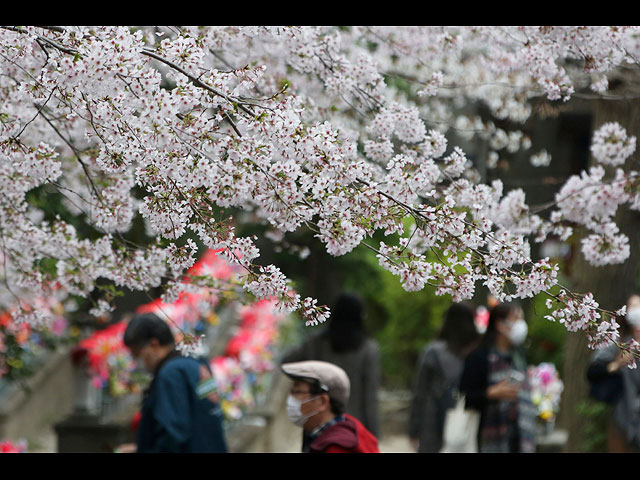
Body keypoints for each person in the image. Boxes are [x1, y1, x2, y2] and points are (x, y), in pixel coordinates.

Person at [116, 312, 228, 453]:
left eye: (136, 353)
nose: (135, 361)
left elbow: (173, 435)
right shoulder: (196, 364)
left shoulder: (171, 373)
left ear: (153, 345)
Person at [281, 292, 380, 436]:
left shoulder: (316, 342)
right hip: (352, 424)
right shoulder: (368, 349)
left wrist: (305, 383)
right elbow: (370, 396)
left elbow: (286, 362)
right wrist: (374, 434)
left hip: (316, 418)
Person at [459, 301, 537, 453]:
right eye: (516, 318)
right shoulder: (480, 357)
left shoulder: (519, 356)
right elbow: (466, 395)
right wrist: (490, 393)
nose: (521, 324)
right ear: (500, 324)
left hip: (520, 437)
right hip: (487, 435)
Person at [408, 302, 481, 453]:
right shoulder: (479, 353)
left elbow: (420, 393)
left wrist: (413, 430)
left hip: (433, 423)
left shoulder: (433, 352)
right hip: (470, 421)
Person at [281, 360, 380, 453]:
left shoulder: (338, 447)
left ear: (322, 402)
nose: (291, 399)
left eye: (297, 392)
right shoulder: (348, 425)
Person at [587, 294, 640, 453]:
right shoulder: (618, 341)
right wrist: (617, 363)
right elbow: (593, 372)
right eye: (633, 307)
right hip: (622, 411)